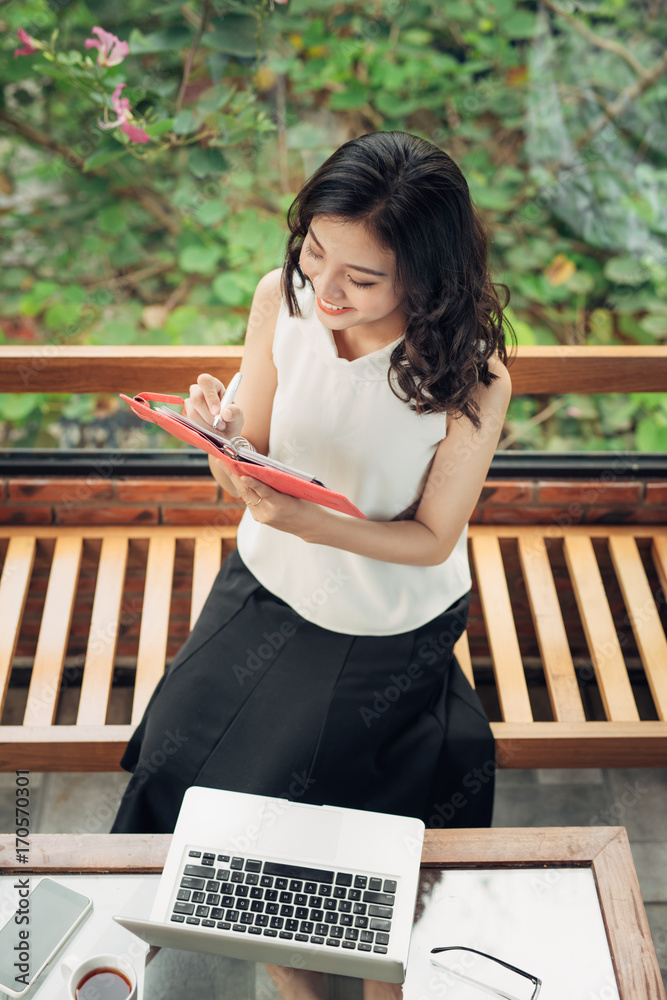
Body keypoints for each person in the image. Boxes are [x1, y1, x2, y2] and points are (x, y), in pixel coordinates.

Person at [111, 130, 514, 999]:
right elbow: (250, 454)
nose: (324, 289)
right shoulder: (279, 299)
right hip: (266, 584)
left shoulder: (470, 375)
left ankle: (357, 968)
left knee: (330, 805)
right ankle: (288, 963)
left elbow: (433, 538)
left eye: (360, 278)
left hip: (387, 613)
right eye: (314, 250)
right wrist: (222, 440)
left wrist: (312, 521)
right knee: (190, 767)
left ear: (426, 274)